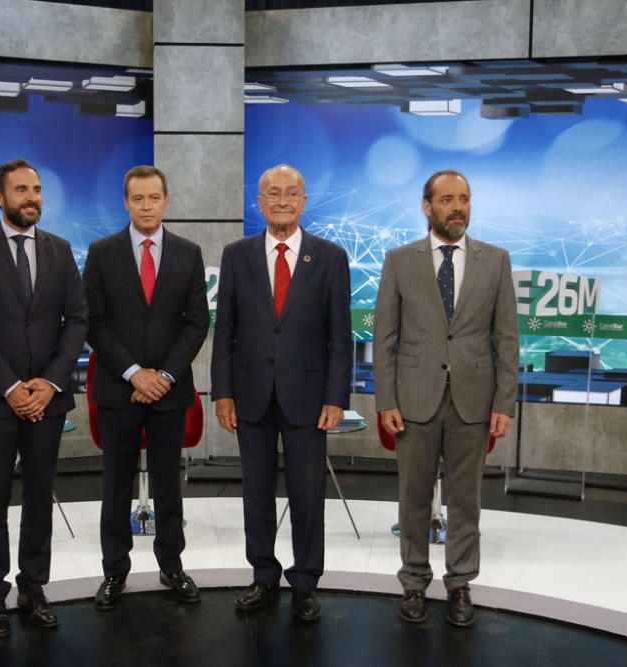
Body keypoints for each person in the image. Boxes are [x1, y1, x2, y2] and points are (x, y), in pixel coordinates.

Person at [373, 169, 518, 627]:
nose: (459, 207)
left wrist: (503, 403)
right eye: (449, 199)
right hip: (414, 399)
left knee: (466, 500)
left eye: (465, 199)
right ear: (427, 206)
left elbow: (507, 339)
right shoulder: (399, 260)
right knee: (413, 498)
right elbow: (384, 337)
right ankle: (414, 581)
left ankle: (459, 583)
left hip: (474, 400)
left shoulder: (496, 261)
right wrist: (385, 401)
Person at [0, 159, 88, 638]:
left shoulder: (60, 249)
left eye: (36, 189)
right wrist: (12, 387)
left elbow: (78, 319)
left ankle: (33, 589)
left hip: (46, 401)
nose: (32, 197)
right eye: (21, 190)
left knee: (38, 500)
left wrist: (49, 384)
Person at [211, 164, 351, 622]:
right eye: (274, 193)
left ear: (304, 202)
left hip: (310, 397)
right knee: (256, 491)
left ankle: (306, 581)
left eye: (292, 193)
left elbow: (339, 335)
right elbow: (225, 330)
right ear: (260, 202)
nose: (283, 200)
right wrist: (222, 392)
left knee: (308, 493)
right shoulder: (237, 255)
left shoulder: (329, 257)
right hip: (250, 394)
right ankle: (263, 576)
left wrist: (336, 397)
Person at [83, 165, 210, 610]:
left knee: (168, 484)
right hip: (119, 389)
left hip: (170, 391)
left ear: (166, 200)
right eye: (138, 199)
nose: (146, 206)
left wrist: (163, 377)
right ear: (126, 203)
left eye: (154, 197)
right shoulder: (102, 252)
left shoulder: (188, 253)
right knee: (115, 485)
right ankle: (114, 571)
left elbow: (197, 323)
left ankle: (172, 566)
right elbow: (93, 324)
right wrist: (135, 373)